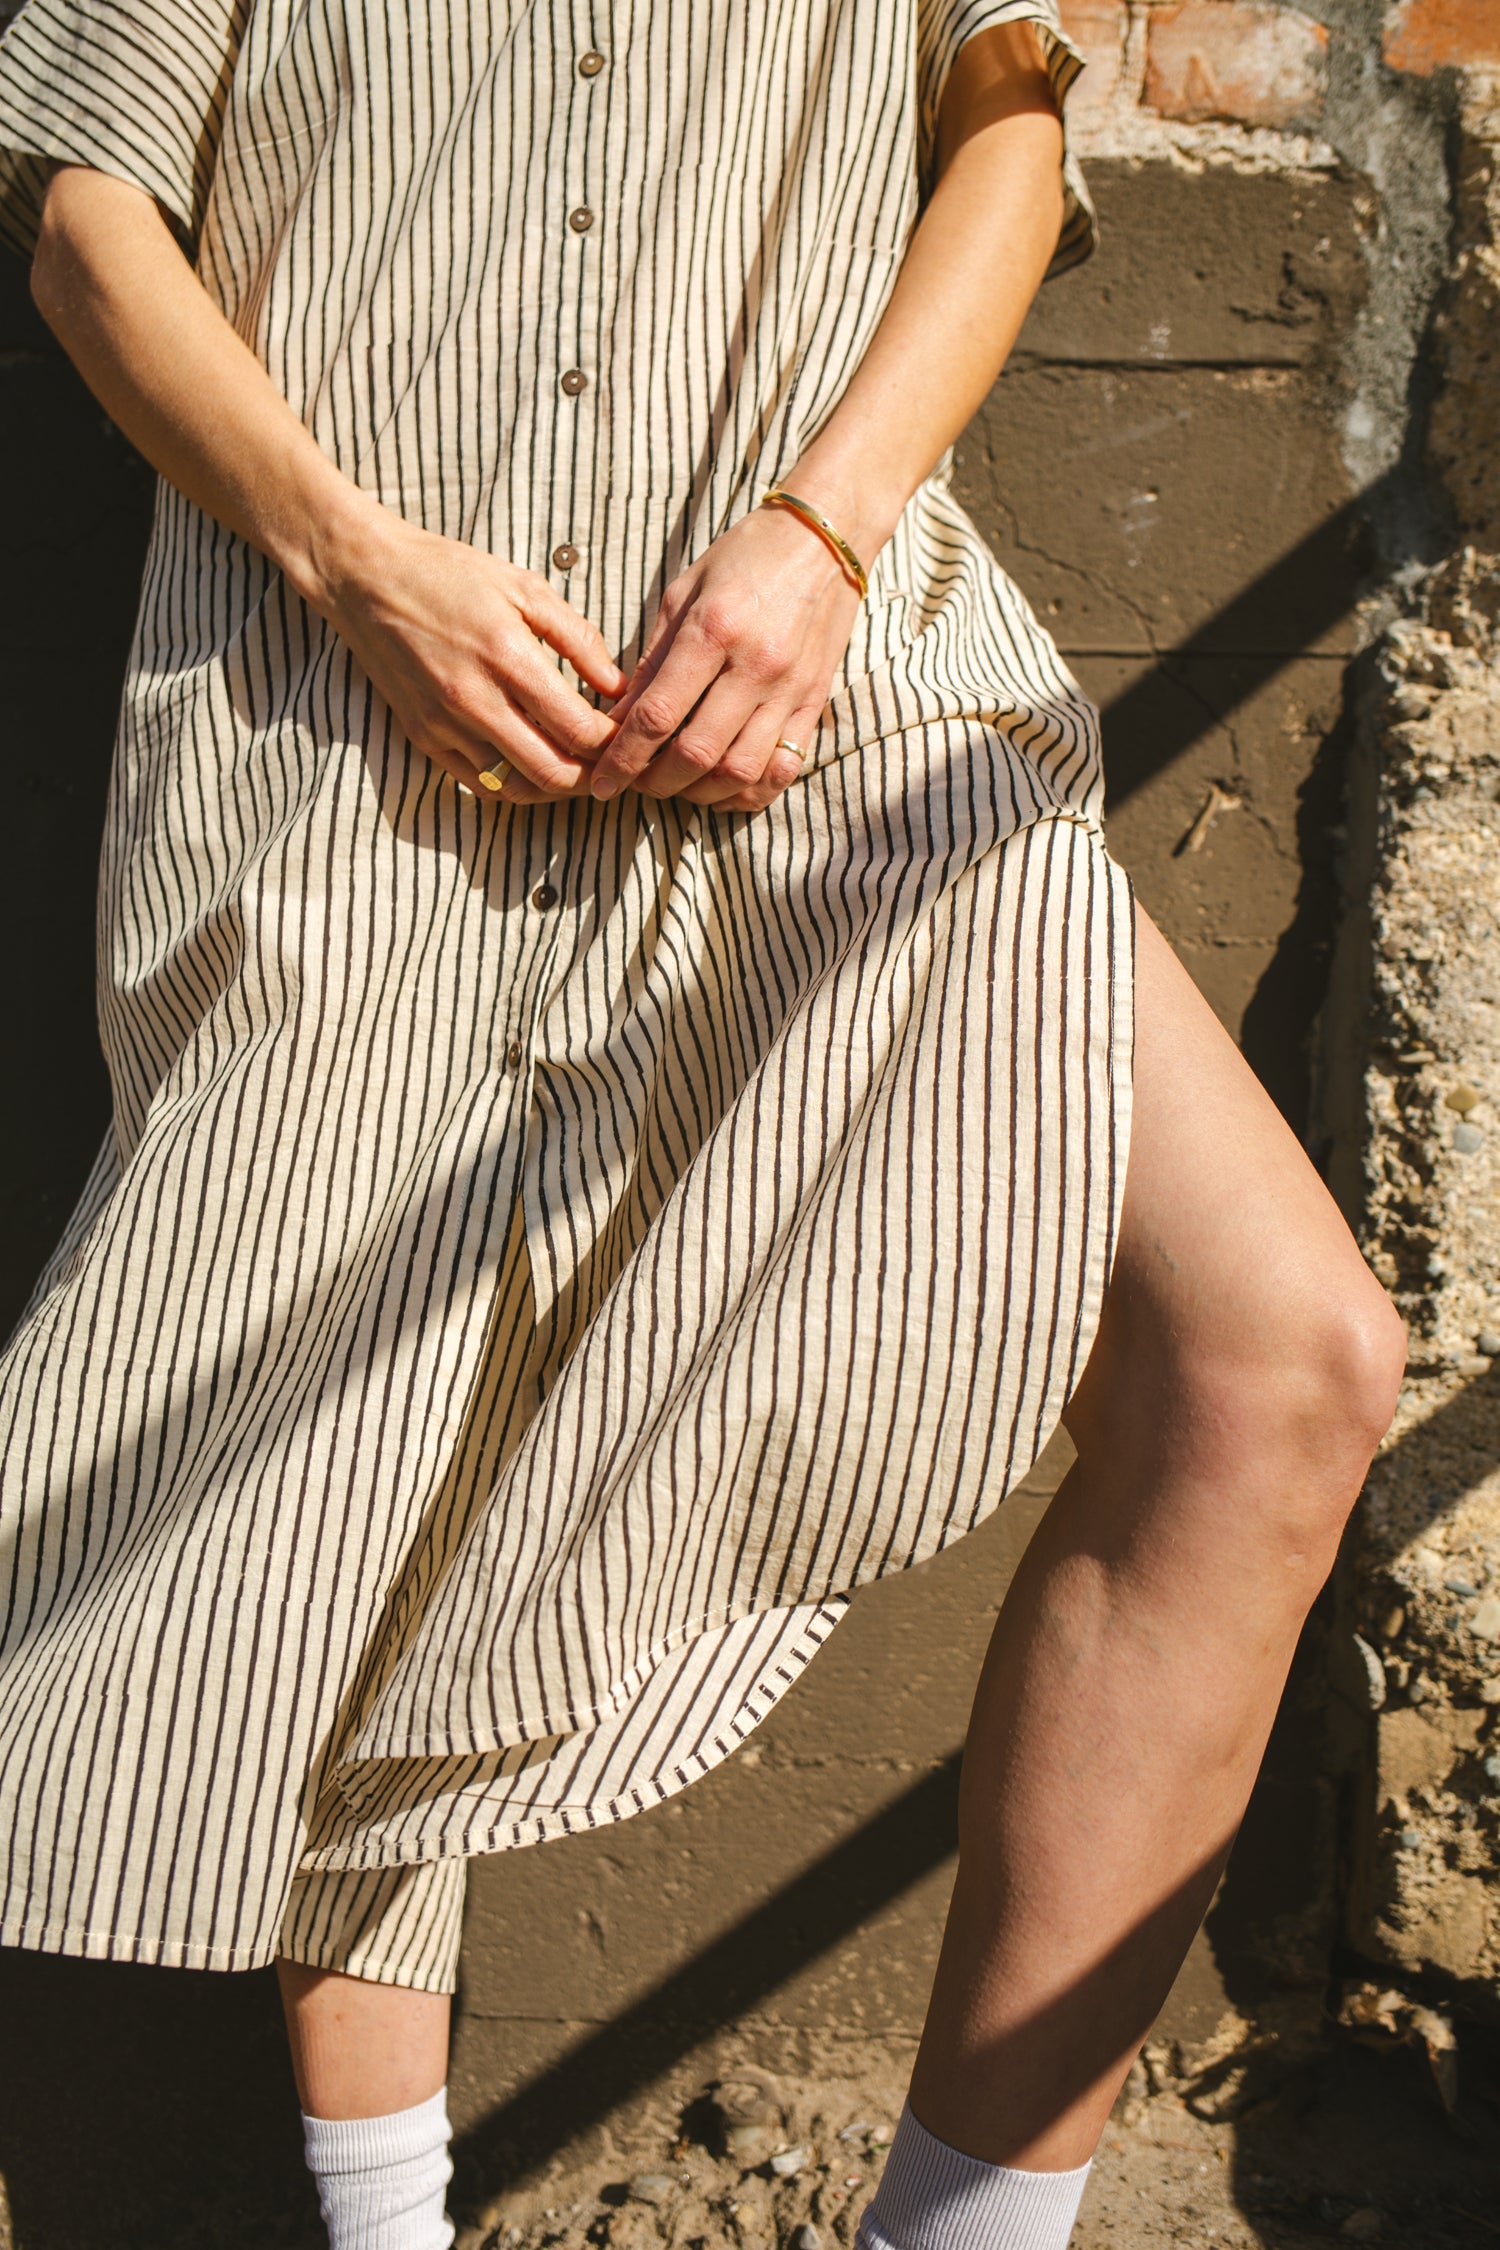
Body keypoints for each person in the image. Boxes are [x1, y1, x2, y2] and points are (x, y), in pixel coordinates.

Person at [0, 1, 1405, 2245]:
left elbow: (1013, 139)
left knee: (1279, 1360)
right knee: (361, 1513)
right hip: (370, 722)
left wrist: (825, 533)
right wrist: (359, 564)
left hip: (842, 680)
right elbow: (88, 217)